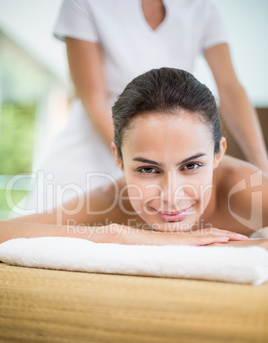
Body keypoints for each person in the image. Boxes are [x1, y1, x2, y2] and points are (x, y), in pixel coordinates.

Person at [23, 0, 268, 214]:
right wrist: (142, 163)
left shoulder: (201, 9)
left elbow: (231, 88)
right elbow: (93, 101)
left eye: (193, 165)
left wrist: (261, 167)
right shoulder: (85, 3)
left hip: (164, 149)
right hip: (95, 150)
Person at [1, 68, 268, 249]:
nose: (171, 195)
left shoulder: (248, 190)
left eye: (192, 165)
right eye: (149, 170)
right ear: (119, 158)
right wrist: (116, 234)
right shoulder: (113, 201)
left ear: (218, 153)